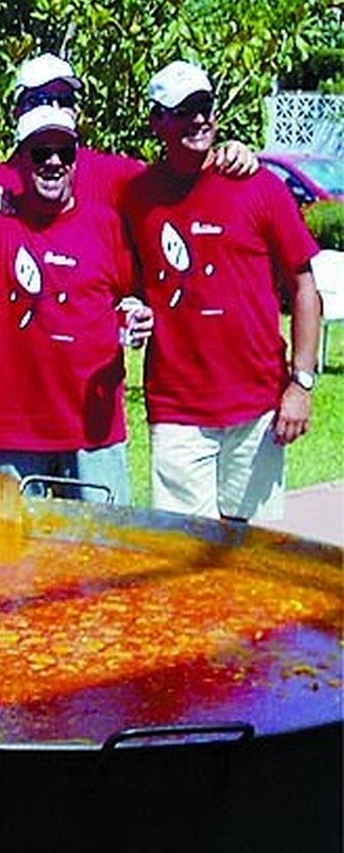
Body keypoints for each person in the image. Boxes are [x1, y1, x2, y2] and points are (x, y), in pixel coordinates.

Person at [121, 61, 320, 521]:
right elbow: (126, 280)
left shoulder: (259, 185)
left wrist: (301, 383)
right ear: (157, 121)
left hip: (257, 405)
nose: (198, 119)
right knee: (183, 555)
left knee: (253, 557)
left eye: (204, 106)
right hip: (177, 408)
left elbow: (304, 287)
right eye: (183, 110)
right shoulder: (137, 195)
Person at [0, 106, 148, 503]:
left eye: (64, 153)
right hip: (12, 430)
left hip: (93, 431)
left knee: (103, 552)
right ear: (19, 160)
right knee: (14, 559)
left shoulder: (106, 224)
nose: (53, 162)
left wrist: (135, 314)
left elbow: (127, 297)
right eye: (40, 153)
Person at [0, 52, 257, 214]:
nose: (55, 108)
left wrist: (225, 152)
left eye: (65, 100)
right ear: (17, 112)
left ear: (78, 112)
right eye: (41, 99)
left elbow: (179, 175)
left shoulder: (112, 172)